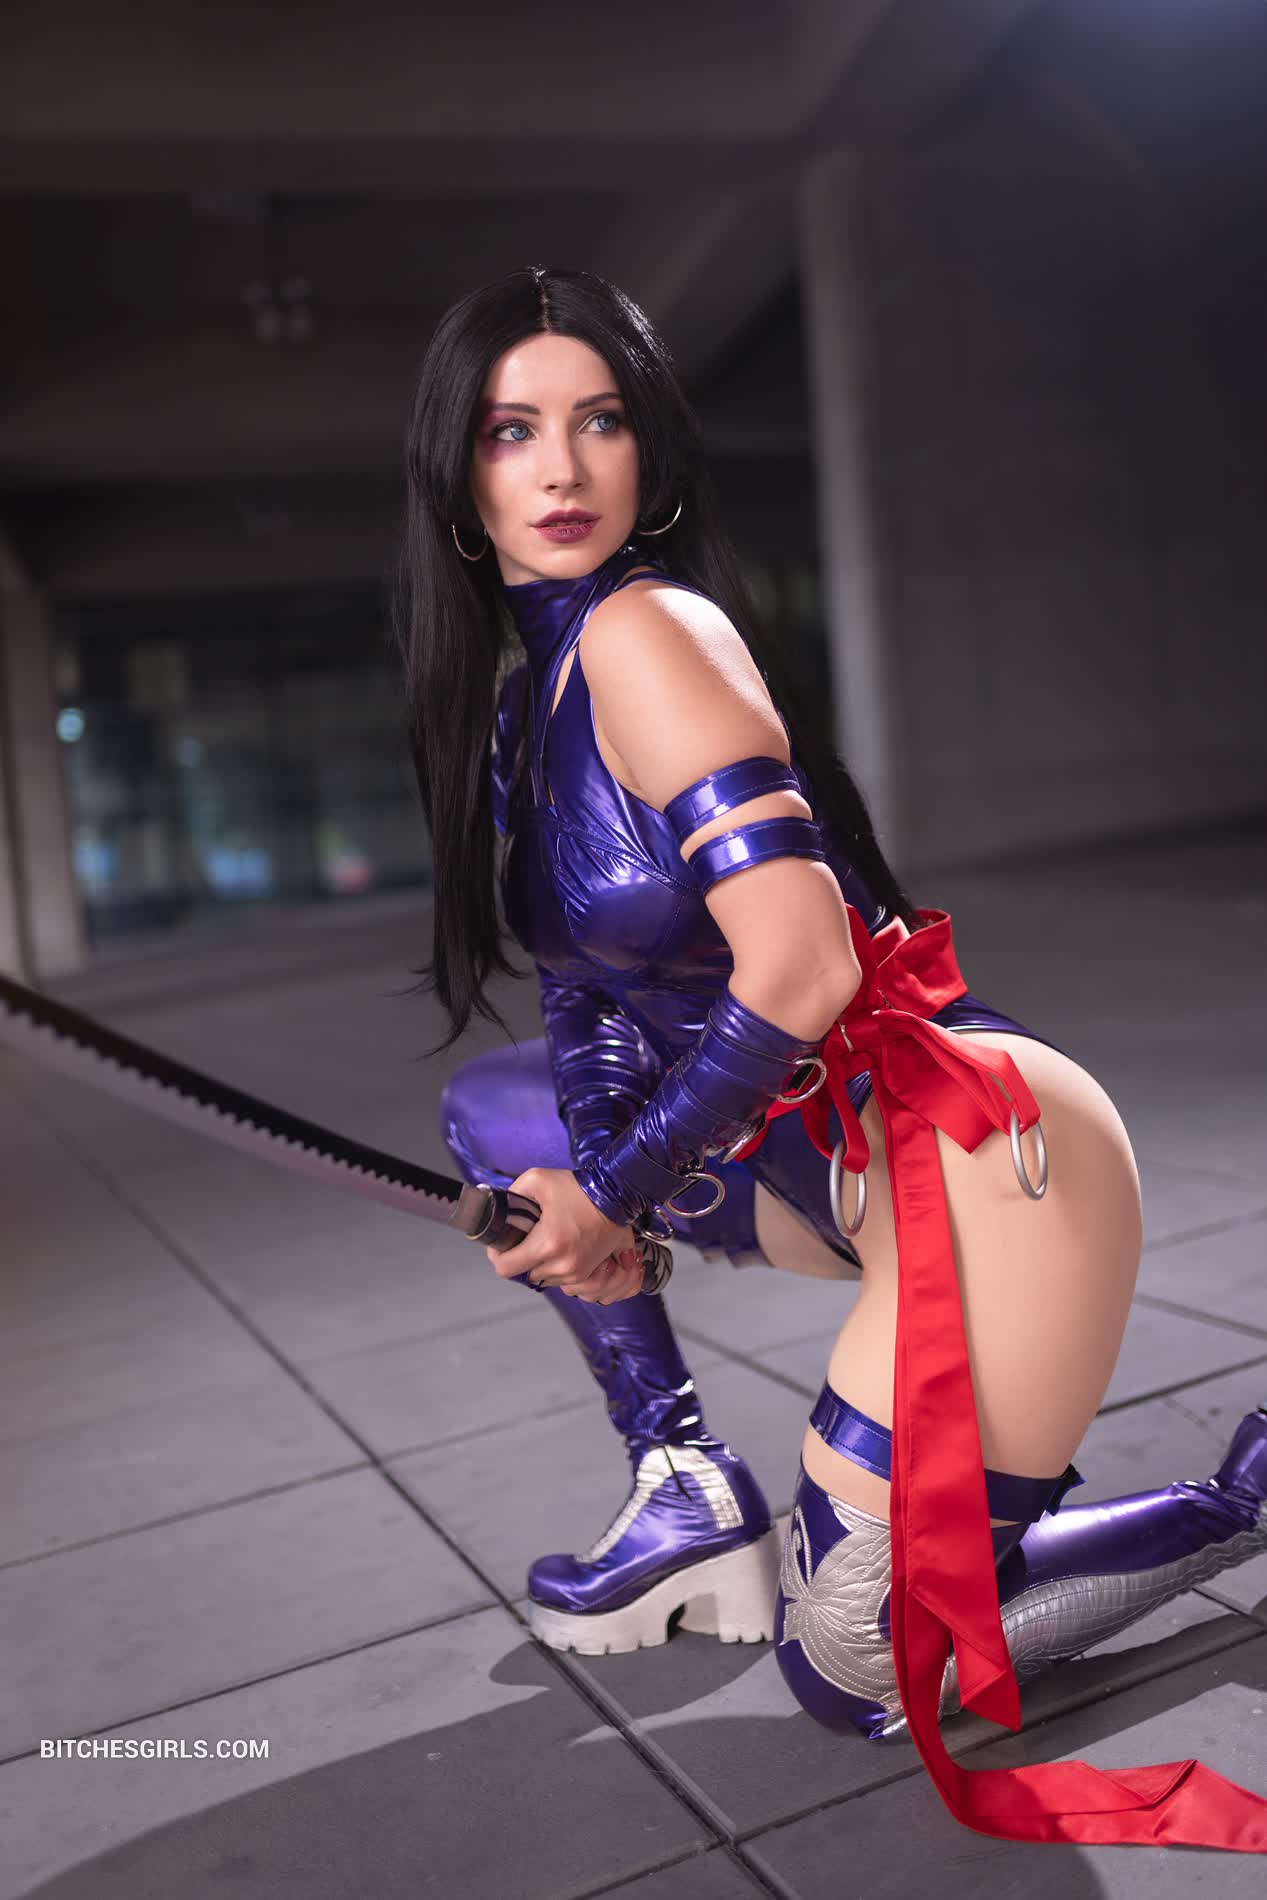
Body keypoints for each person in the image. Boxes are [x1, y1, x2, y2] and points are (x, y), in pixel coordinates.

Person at [394, 264, 1267, 1850]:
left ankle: (1249, 1497)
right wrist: (599, 1195)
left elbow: (804, 965)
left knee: (859, 1664)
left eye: (600, 422)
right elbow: (581, 992)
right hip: (805, 1156)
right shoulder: (528, 705)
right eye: (513, 431)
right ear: (459, 475)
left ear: (650, 450)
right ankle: (683, 1483)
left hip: (983, 1161)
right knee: (495, 1113)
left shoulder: (651, 633)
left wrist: (619, 1192)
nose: (563, 468)